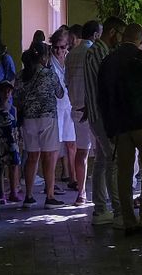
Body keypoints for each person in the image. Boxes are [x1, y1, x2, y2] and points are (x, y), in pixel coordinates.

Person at [97, 21, 142, 235]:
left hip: (121, 127)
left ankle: (128, 221)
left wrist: (110, 129)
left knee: (124, 174)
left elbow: (103, 98)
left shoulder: (108, 62)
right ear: (141, 39)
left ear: (122, 36)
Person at [82, 17, 124, 224]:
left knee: (101, 161)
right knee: (112, 161)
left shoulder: (93, 51)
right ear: (113, 32)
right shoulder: (99, 53)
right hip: (102, 115)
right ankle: (117, 212)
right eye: (120, 34)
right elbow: (106, 86)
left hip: (95, 113)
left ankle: (100, 209)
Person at [15, 43, 65, 207]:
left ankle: (28, 196)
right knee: (49, 157)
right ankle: (49, 196)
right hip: (48, 118)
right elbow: (60, 93)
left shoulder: (22, 75)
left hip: (28, 119)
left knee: (31, 157)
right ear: (44, 57)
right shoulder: (48, 74)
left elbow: (16, 99)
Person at [65, 20, 103, 208]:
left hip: (76, 109)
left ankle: (81, 193)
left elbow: (66, 82)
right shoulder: (95, 53)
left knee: (82, 152)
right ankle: (100, 195)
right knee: (101, 153)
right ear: (95, 35)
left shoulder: (71, 55)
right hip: (95, 110)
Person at [49, 27, 76, 188]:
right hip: (55, 106)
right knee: (53, 147)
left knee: (71, 143)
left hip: (69, 105)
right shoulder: (48, 61)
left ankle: (73, 178)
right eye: (56, 47)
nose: (59, 50)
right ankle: (50, 183)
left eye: (63, 47)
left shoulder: (70, 59)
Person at [0, 80, 23, 203]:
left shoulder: (13, 109)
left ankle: (13, 191)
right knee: (0, 167)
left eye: (9, 91)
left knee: (14, 165)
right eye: (4, 91)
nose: (7, 93)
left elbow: (15, 125)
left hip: (12, 141)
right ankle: (1, 192)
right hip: (0, 141)